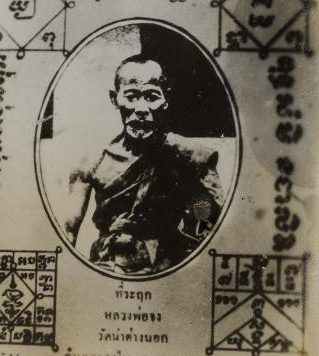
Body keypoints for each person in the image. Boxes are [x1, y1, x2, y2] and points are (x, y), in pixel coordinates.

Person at [64, 55, 225, 275]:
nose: (141, 108)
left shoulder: (188, 157)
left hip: (168, 270)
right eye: (131, 96)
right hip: (106, 268)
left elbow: (210, 223)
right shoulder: (91, 162)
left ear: (166, 100)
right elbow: (67, 233)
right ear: (114, 99)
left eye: (152, 96)